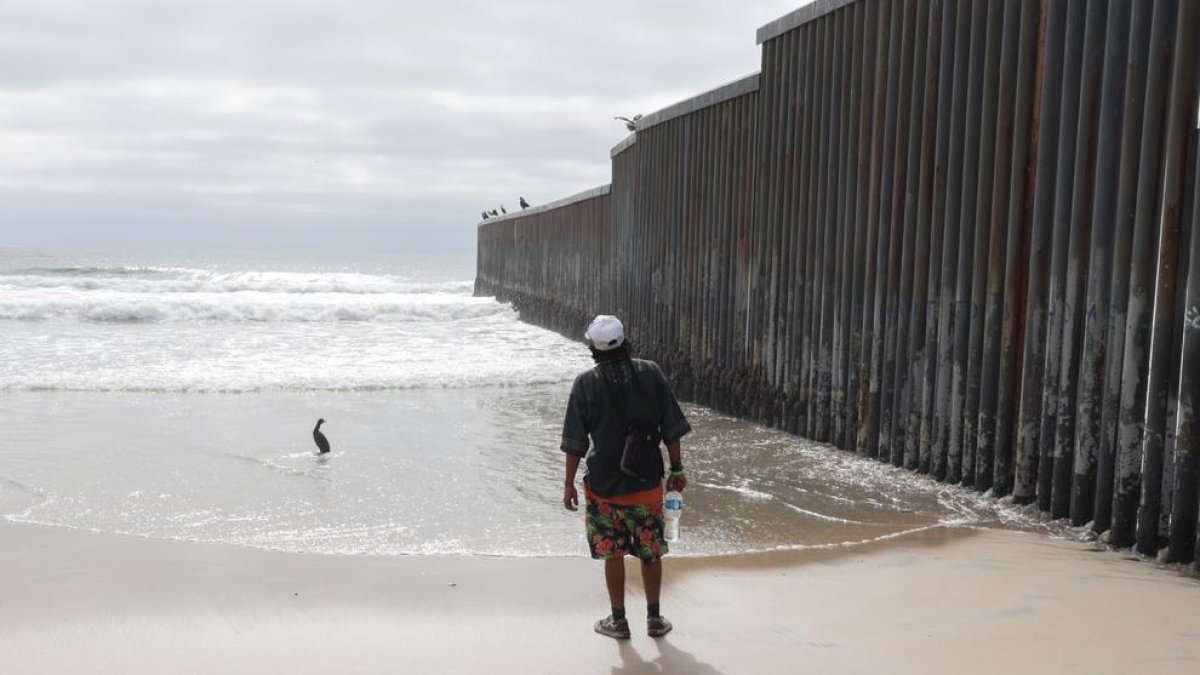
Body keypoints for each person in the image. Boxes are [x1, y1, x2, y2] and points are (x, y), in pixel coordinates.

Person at [560, 315, 690, 639]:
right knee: (651, 552)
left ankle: (618, 621)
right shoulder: (651, 373)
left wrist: (568, 484)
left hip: (604, 489)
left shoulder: (585, 384)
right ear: (625, 341)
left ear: (594, 349)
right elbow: (671, 427)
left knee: (612, 553)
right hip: (646, 485)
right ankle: (655, 619)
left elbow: (575, 443)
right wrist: (676, 470)